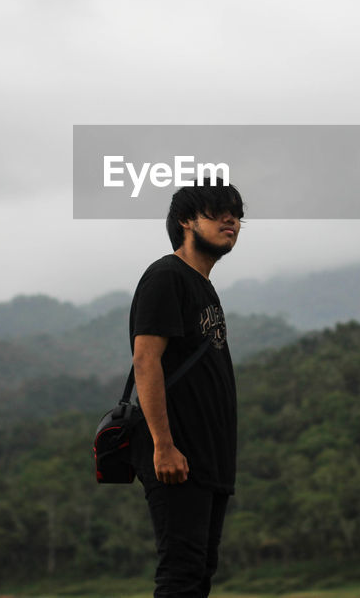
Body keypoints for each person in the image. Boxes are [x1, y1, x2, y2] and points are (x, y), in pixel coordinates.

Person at [129, 178, 244, 597]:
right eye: (217, 211)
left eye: (236, 214)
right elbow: (146, 360)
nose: (231, 220)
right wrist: (163, 444)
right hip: (176, 452)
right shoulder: (166, 277)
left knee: (199, 573)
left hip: (208, 459)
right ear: (186, 221)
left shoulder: (203, 286)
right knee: (180, 573)